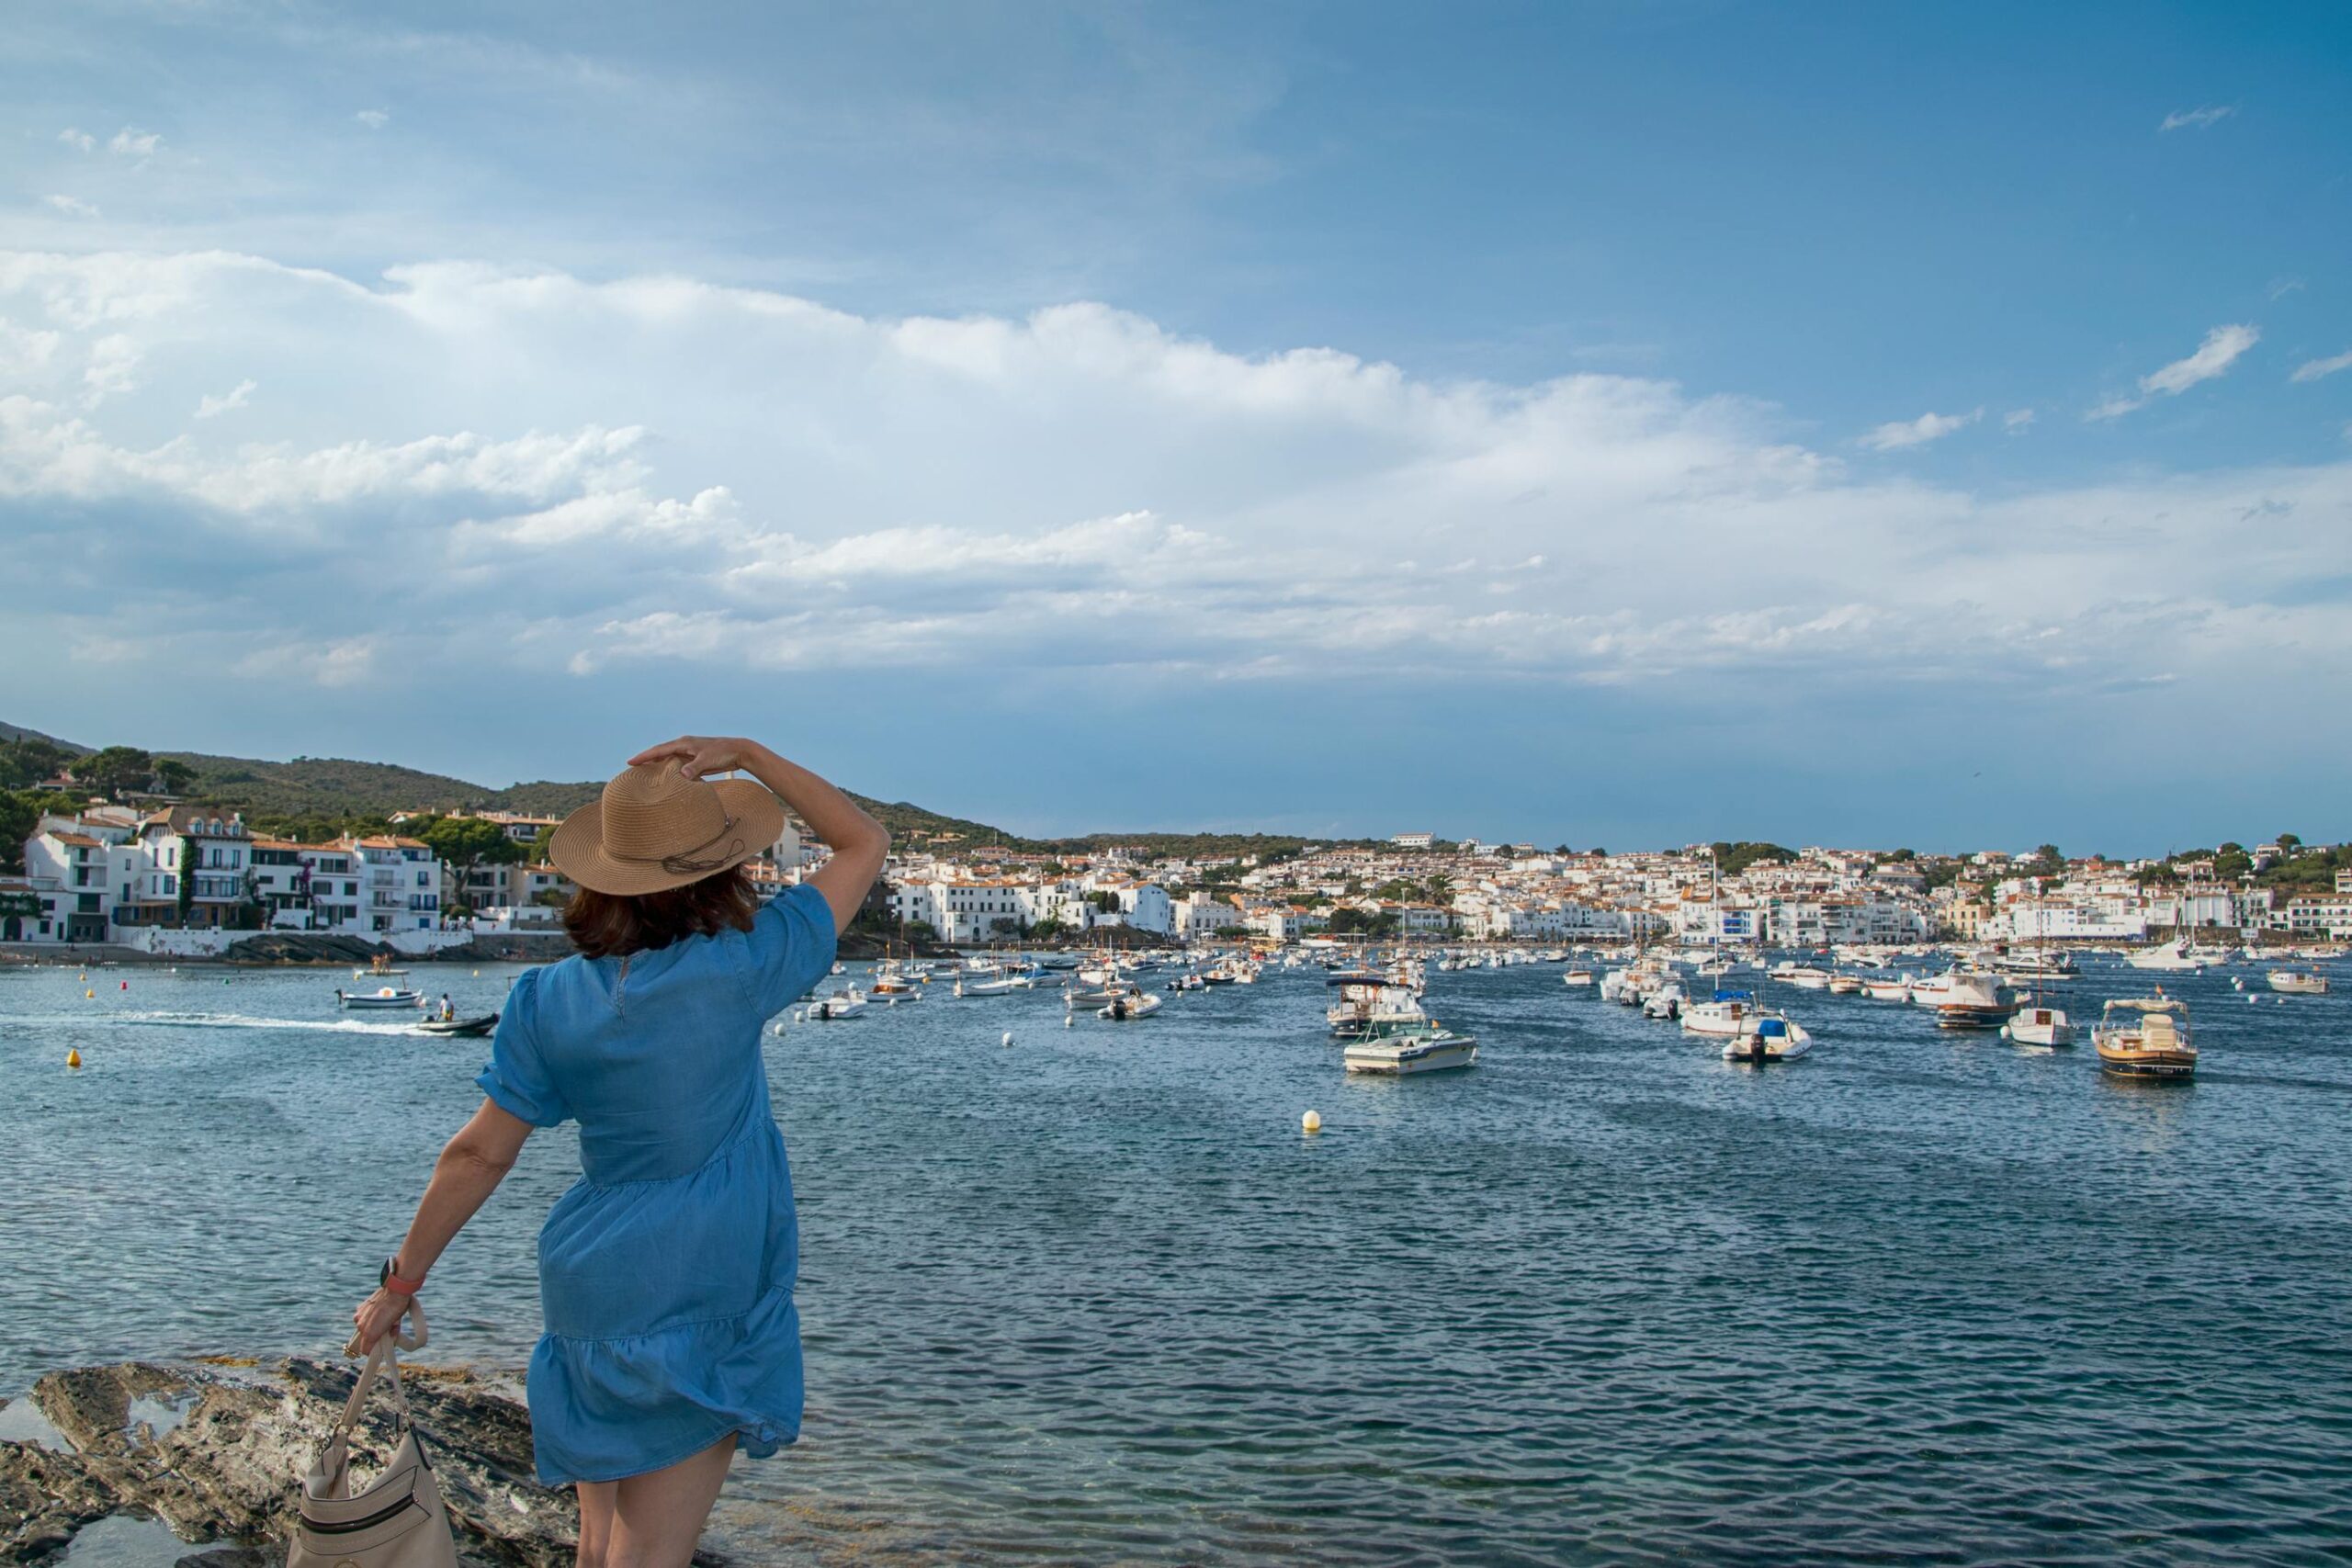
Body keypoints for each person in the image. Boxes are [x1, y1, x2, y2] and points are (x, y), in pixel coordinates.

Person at [349, 738, 888, 1568]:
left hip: (589, 1285)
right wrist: (746, 755)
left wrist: (401, 1283)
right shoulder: (743, 965)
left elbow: (476, 1157)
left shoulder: (545, 997)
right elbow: (863, 842)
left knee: (599, 1547)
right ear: (719, 871)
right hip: (694, 1288)